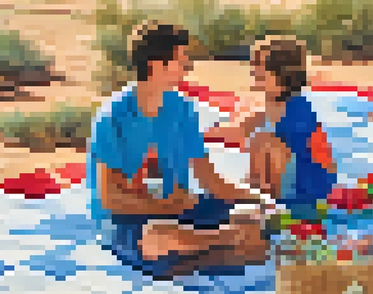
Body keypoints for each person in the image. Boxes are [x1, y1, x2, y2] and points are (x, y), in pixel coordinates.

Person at [86, 21, 268, 278]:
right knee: (159, 239)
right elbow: (111, 200)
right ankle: (221, 244)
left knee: (252, 217)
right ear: (156, 65)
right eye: (181, 60)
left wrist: (260, 201)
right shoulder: (113, 118)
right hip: (130, 220)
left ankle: (206, 249)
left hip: (182, 211)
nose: (187, 67)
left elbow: (209, 179)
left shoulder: (183, 110)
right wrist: (167, 209)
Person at [204, 36, 338, 222]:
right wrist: (196, 134)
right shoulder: (272, 105)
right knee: (260, 141)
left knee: (263, 141)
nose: (254, 71)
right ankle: (251, 196)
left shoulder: (298, 110)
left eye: (260, 67)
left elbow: (316, 160)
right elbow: (238, 129)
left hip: (307, 190)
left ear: (283, 75)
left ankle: (263, 204)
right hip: (291, 180)